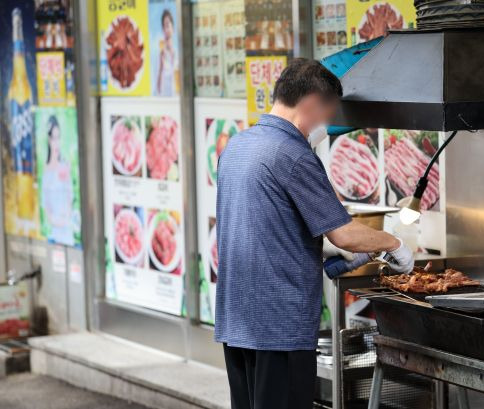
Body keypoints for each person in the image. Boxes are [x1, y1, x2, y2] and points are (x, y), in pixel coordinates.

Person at [215, 58, 414, 409]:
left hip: (238, 321)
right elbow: (345, 235)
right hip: (279, 328)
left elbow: (269, 229)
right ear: (310, 102)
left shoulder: (237, 146)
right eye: (328, 114)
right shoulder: (292, 154)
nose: (325, 125)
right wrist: (394, 243)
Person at [41, 115, 74, 246]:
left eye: (58, 137)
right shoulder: (46, 171)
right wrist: (57, 222)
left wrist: (66, 219)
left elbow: (70, 197)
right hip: (54, 234)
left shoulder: (65, 166)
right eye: (54, 138)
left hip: (67, 232)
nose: (56, 142)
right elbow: (46, 206)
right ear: (49, 140)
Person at [156, 9, 176, 96]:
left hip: (177, 96)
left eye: (167, 25)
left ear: (173, 27)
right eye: (164, 26)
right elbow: (157, 87)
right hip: (165, 96)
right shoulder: (161, 51)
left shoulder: (178, 50)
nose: (166, 29)